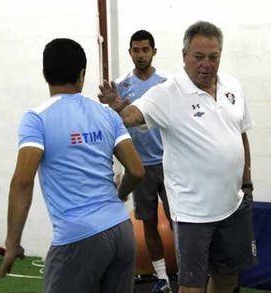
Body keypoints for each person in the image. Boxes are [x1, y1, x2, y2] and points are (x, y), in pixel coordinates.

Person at [99, 21, 257, 293]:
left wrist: (247, 184)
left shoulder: (233, 86)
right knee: (191, 286)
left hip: (233, 205)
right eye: (198, 57)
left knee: (228, 278)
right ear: (184, 56)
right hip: (193, 213)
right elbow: (131, 116)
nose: (206, 64)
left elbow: (241, 135)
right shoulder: (167, 93)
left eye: (213, 56)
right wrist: (119, 105)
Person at [0, 38, 145, 293]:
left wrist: (12, 243)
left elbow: (22, 181)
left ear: (45, 74)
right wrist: (119, 196)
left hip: (78, 237)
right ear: (81, 75)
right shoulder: (108, 114)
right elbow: (136, 170)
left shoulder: (36, 119)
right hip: (121, 231)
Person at [115, 29, 173, 292]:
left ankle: (187, 273)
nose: (140, 55)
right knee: (148, 222)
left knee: (179, 221)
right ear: (130, 53)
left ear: (154, 52)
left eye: (145, 50)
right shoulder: (121, 86)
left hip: (171, 164)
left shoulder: (167, 83)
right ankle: (162, 277)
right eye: (136, 50)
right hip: (140, 168)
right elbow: (115, 127)